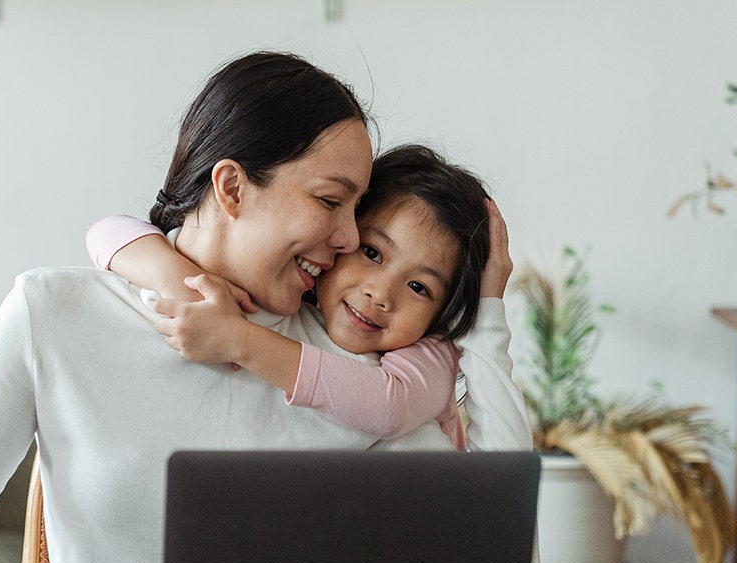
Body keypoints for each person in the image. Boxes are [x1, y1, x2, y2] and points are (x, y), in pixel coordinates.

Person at [0, 51, 532, 563]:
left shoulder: (354, 364)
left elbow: (500, 549)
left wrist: (489, 314)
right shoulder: (54, 314)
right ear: (231, 187)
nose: (349, 240)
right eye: (330, 201)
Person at [86, 144, 498, 448]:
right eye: (371, 252)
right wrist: (178, 279)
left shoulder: (432, 350)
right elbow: (106, 230)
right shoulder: (296, 295)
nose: (380, 293)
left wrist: (240, 340)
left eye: (419, 287)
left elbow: (388, 406)